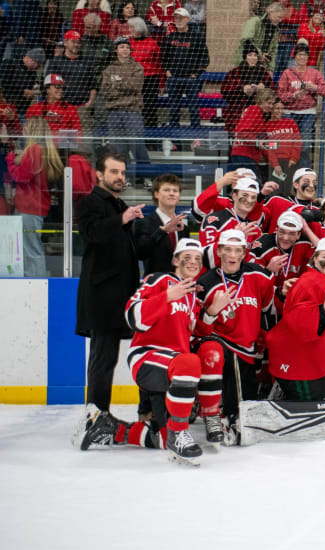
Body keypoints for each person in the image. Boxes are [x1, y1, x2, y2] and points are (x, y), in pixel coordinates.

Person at [76, 238, 222, 463]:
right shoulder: (160, 280)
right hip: (147, 357)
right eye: (187, 257)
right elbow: (132, 316)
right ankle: (180, 433)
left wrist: (212, 311)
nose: (193, 262)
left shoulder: (192, 296)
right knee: (189, 362)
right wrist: (167, 297)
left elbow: (196, 332)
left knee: (164, 438)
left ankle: (109, 428)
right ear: (175, 260)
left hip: (174, 368)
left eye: (197, 259)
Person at [75, 150, 144, 417]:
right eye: (114, 172)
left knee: (109, 358)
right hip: (102, 297)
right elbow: (92, 234)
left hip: (120, 296)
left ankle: (100, 413)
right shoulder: (90, 202)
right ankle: (96, 415)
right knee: (102, 359)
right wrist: (122, 219)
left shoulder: (118, 205)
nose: (120, 177)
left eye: (123, 172)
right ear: (99, 174)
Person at [195, 229, 276, 424]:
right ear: (220, 251)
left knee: (247, 392)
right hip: (219, 342)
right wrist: (212, 311)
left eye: (237, 250)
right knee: (231, 369)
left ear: (243, 252)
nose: (232, 255)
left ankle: (234, 413)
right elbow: (198, 329)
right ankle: (225, 414)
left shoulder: (260, 276)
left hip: (247, 346)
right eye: (227, 250)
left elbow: (267, 306)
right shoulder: (205, 283)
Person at [267, 237, 325, 401]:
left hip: (314, 355)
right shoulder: (308, 282)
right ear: (315, 258)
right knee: (309, 402)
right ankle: (285, 393)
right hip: (299, 358)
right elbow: (300, 326)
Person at [4, 117, 62, 277]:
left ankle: (36, 282)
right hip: (34, 208)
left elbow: (21, 176)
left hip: (29, 208)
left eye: (25, 127)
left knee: (30, 249)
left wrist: (9, 160)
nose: (23, 131)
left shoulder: (35, 150)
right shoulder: (42, 151)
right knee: (29, 247)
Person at [277, 41, 325, 168]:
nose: (302, 57)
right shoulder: (287, 73)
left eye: (304, 55)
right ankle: (287, 171)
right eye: (299, 55)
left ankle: (304, 172)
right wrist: (293, 95)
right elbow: (280, 94)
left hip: (307, 113)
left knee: (304, 145)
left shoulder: (314, 73)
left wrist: (314, 87)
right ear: (295, 57)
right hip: (289, 113)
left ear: (308, 57)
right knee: (287, 145)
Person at [101, 36, 150, 164]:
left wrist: (117, 83)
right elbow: (106, 92)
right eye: (122, 47)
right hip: (114, 112)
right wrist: (125, 84)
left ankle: (146, 176)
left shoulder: (137, 67)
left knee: (137, 145)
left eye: (127, 47)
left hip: (132, 111)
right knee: (118, 148)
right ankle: (124, 177)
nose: (125, 50)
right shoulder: (108, 70)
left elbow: (136, 87)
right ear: (116, 50)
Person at [199, 176, 265, 268]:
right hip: (213, 280)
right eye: (245, 195)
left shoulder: (255, 229)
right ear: (234, 196)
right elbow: (206, 259)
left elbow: (255, 263)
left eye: (253, 197)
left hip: (240, 281)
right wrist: (234, 236)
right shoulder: (214, 220)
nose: (249, 200)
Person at [134, 173, 190, 275]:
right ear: (156, 194)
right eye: (167, 190)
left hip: (178, 285)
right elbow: (141, 253)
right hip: (155, 285)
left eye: (175, 191)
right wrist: (163, 231)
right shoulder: (144, 222)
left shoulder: (184, 229)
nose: (172, 193)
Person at [162, 7, 208, 128]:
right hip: (174, 78)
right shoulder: (170, 37)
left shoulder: (196, 37)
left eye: (181, 18)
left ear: (187, 19)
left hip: (191, 79)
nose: (178, 20)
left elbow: (204, 58)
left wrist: (196, 74)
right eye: (176, 18)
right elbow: (163, 57)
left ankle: (195, 139)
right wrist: (167, 71)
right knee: (174, 110)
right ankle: (175, 143)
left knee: (193, 109)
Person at [45, 31, 99, 133]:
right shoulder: (55, 62)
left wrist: (90, 103)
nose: (76, 45)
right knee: (60, 142)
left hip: (81, 109)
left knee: (84, 143)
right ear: (65, 42)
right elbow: (49, 84)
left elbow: (93, 85)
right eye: (73, 42)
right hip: (61, 108)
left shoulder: (87, 61)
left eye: (78, 42)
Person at [222, 43, 272, 133]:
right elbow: (225, 90)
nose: (253, 58)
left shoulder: (263, 73)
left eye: (255, 55)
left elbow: (272, 91)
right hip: (238, 112)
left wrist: (263, 88)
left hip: (260, 113)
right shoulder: (235, 72)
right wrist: (241, 89)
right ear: (245, 57)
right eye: (250, 55)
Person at [128, 17, 162, 128]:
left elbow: (159, 64)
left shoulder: (152, 43)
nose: (130, 30)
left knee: (150, 108)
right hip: (133, 80)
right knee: (133, 107)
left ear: (139, 28)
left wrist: (161, 84)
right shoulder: (127, 43)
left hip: (150, 80)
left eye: (132, 27)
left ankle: (151, 138)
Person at [264, 99, 301, 195]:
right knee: (275, 190)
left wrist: (293, 158)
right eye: (277, 108)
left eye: (281, 109)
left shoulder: (290, 123)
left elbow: (297, 141)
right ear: (272, 109)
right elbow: (269, 147)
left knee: (288, 190)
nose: (279, 111)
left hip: (290, 162)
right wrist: (275, 164)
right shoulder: (266, 126)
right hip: (275, 162)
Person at [236, 1, 285, 74]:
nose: (280, 20)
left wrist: (270, 69)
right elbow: (246, 41)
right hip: (245, 66)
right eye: (279, 17)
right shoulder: (254, 22)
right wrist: (259, 55)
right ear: (271, 12)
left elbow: (274, 51)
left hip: (262, 68)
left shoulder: (275, 30)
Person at [0, 48, 45, 116]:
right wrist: (23, 91)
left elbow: (41, 88)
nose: (37, 68)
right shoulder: (9, 63)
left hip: (22, 111)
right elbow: (3, 83)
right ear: (31, 60)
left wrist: (31, 93)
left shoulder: (33, 73)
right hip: (5, 109)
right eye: (37, 65)